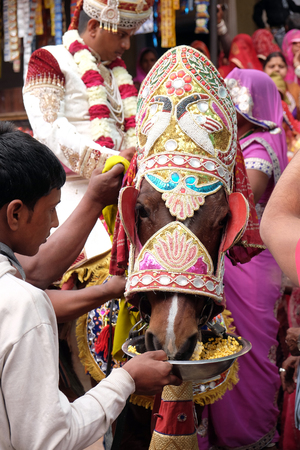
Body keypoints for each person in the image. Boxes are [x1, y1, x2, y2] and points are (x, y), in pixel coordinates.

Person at [0, 121, 181, 449]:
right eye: (52, 209)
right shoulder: (23, 303)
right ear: (14, 214)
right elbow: (50, 439)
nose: (55, 222)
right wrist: (126, 380)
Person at [23, 0, 153, 285]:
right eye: (122, 34)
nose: (127, 45)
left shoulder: (116, 72)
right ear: (94, 26)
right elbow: (49, 130)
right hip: (70, 192)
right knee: (99, 269)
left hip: (124, 189)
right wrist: (113, 162)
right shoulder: (49, 59)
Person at [205, 69, 288, 449]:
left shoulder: (259, 146)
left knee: (250, 351)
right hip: (235, 260)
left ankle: (250, 436)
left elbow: (240, 202)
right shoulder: (238, 144)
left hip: (252, 262)